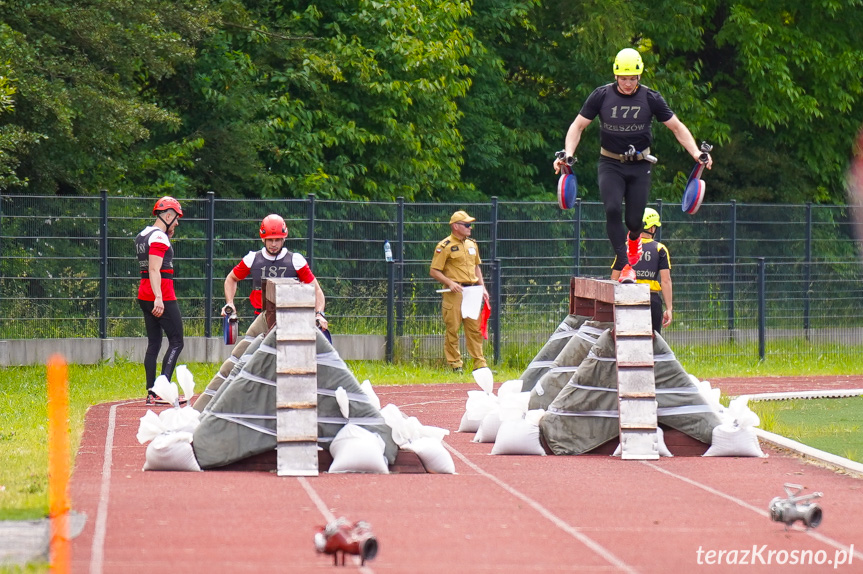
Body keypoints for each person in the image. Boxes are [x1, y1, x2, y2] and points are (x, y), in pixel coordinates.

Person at [553, 47, 712, 279]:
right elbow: (577, 126)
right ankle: (626, 265)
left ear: (639, 76)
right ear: (616, 76)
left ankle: (634, 239)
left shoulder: (651, 98)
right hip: (610, 163)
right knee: (613, 209)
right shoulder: (601, 95)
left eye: (632, 78)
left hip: (640, 165)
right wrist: (567, 154)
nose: (628, 83)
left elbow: (677, 127)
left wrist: (697, 153)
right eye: (624, 78)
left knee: (635, 221)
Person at [222, 214, 330, 340]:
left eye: (277, 240)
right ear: (263, 239)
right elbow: (231, 278)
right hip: (261, 318)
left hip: (290, 320)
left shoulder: (296, 260)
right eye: (270, 240)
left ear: (284, 239)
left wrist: (319, 314)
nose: (274, 244)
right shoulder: (252, 259)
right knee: (248, 353)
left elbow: (316, 290)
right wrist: (230, 303)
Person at [136, 196, 185, 405]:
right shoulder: (159, 237)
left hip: (144, 293)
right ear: (167, 215)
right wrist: (159, 298)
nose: (176, 223)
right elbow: (154, 269)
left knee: (154, 343)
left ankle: (151, 391)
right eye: (175, 219)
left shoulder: (142, 235)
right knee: (177, 341)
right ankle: (163, 389)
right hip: (161, 294)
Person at [430, 210, 489, 372]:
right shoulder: (444, 246)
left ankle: (480, 364)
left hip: (472, 291)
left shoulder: (472, 244)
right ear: (456, 226)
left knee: (474, 329)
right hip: (454, 293)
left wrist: (483, 287)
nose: (470, 227)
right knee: (453, 329)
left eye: (470, 224)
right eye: (467, 224)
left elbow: (476, 267)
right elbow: (434, 270)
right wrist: (450, 283)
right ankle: (456, 364)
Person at [610, 208, 672, 334]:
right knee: (652, 341)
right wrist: (669, 309)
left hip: (628, 299)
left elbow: (613, 279)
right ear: (651, 228)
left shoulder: (626, 247)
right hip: (651, 299)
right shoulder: (660, 249)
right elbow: (665, 281)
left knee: (628, 339)